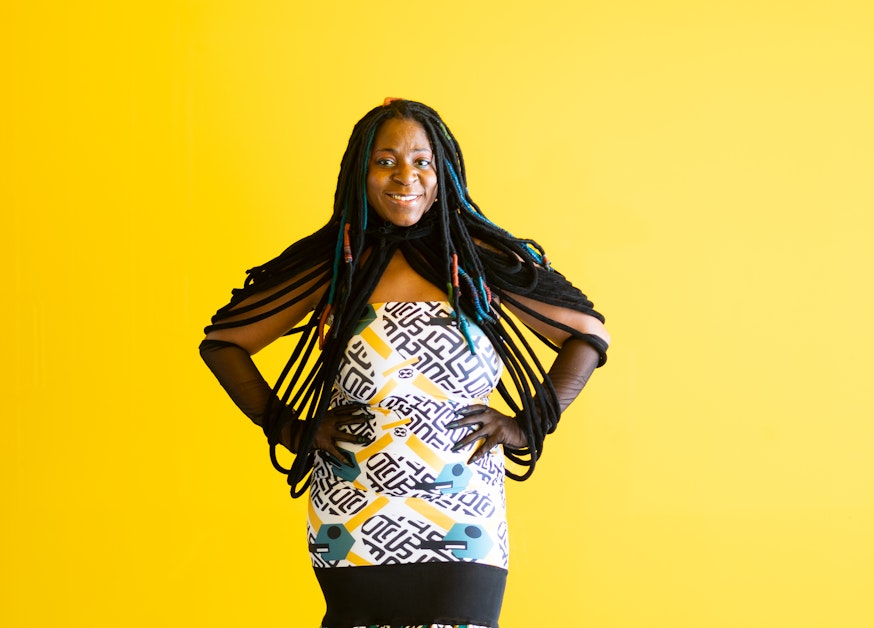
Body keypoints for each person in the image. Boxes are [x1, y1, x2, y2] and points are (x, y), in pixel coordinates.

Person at [199, 99, 610, 628]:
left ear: (444, 174)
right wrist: (290, 429)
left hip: (462, 512)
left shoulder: (477, 260)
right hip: (353, 509)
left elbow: (588, 335)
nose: (405, 176)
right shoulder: (339, 262)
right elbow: (224, 343)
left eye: (421, 161)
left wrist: (527, 423)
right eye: (386, 160)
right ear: (360, 172)